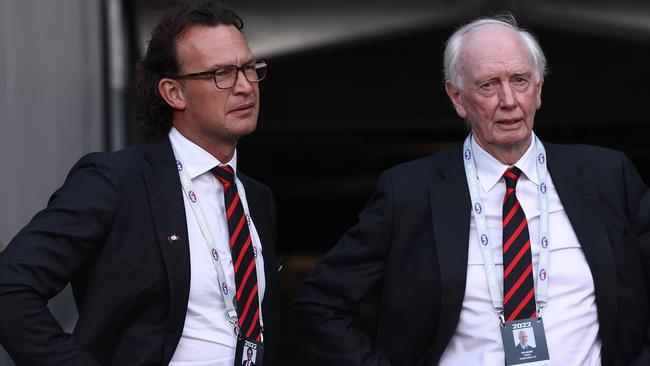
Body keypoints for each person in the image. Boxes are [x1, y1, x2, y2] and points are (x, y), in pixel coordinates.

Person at [292, 13, 650, 366]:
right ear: (457, 98)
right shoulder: (409, 192)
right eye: (488, 85)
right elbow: (320, 303)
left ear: (538, 90)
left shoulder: (607, 175)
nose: (508, 100)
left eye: (520, 80)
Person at [0, 1, 281, 365]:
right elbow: (10, 286)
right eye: (221, 74)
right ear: (173, 93)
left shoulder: (257, 198)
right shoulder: (117, 181)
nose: (244, 86)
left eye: (248, 68)